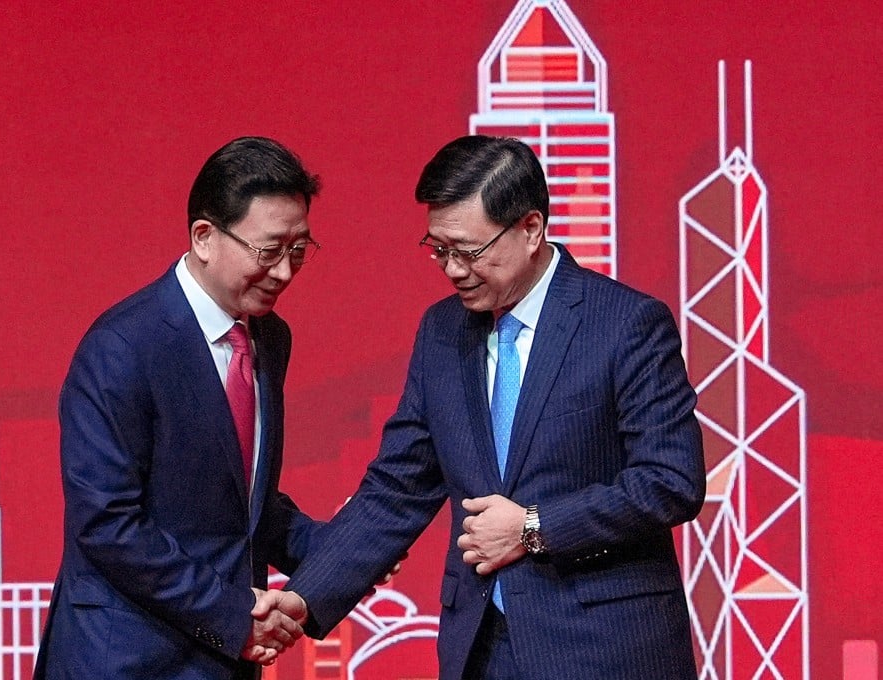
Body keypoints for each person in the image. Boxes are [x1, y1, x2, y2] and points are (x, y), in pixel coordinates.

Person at [265, 135, 706, 679]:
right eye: (438, 249)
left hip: (604, 647)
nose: (452, 269)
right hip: (481, 649)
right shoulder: (442, 331)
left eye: (468, 251)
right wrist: (304, 596)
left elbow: (670, 481)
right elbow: (397, 488)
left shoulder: (625, 324)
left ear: (530, 229)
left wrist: (533, 527)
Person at [34, 136, 326, 680]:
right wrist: (233, 616)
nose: (285, 272)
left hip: (222, 660)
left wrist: (344, 550)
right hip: (126, 660)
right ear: (204, 237)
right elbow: (108, 524)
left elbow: (239, 506)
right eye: (269, 251)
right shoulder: (123, 347)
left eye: (299, 250)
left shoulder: (270, 338)